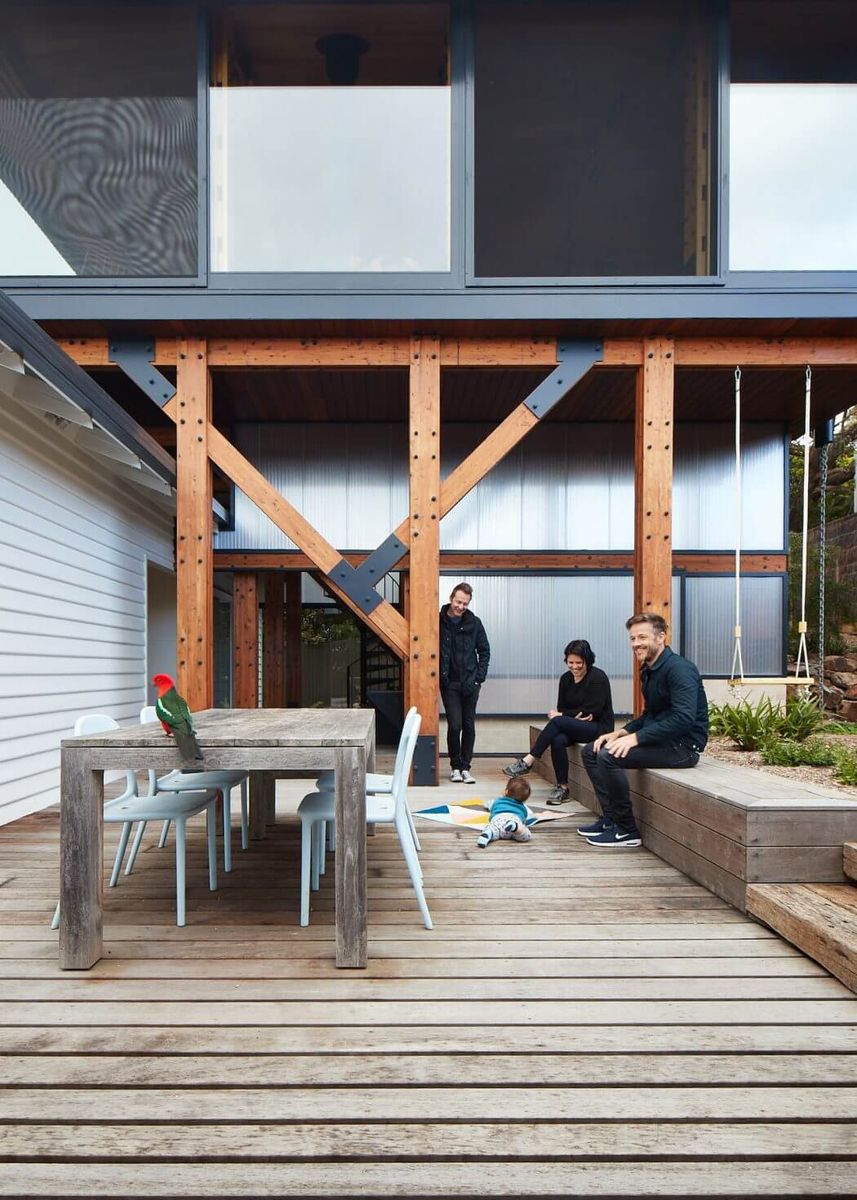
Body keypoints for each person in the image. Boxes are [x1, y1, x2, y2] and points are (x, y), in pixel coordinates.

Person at [580, 612, 708, 848]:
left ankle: (627, 831)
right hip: (663, 741)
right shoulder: (649, 669)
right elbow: (651, 714)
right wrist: (622, 733)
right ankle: (611, 819)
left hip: (683, 748)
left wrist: (637, 738)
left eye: (642, 637)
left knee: (608, 756)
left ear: (661, 637)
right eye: (632, 638)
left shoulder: (679, 669)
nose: (636, 643)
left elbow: (683, 718)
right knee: (591, 750)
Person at [503, 639, 614, 805]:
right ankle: (562, 787)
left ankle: (528, 760)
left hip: (598, 728)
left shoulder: (598, 677)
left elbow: (593, 710)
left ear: (587, 661)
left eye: (579, 663)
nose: (574, 667)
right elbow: (562, 707)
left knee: (558, 721)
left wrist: (565, 716)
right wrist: (571, 716)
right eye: (571, 662)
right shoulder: (565, 679)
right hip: (575, 726)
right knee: (557, 739)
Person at [439, 582, 490, 784]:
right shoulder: (439, 620)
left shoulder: (474, 623)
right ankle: (455, 767)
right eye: (458, 602)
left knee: (468, 725)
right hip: (449, 683)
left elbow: (484, 651)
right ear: (451, 598)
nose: (461, 607)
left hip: (470, 683)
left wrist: (479, 678)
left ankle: (465, 767)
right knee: (455, 725)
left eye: (465, 604)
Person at [476, 776, 533, 848]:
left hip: (498, 820)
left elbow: (489, 805)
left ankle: (486, 836)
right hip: (514, 820)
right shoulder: (523, 807)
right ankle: (515, 827)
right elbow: (524, 818)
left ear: (506, 791)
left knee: (492, 829)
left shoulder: (497, 801)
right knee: (526, 834)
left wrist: (486, 804)